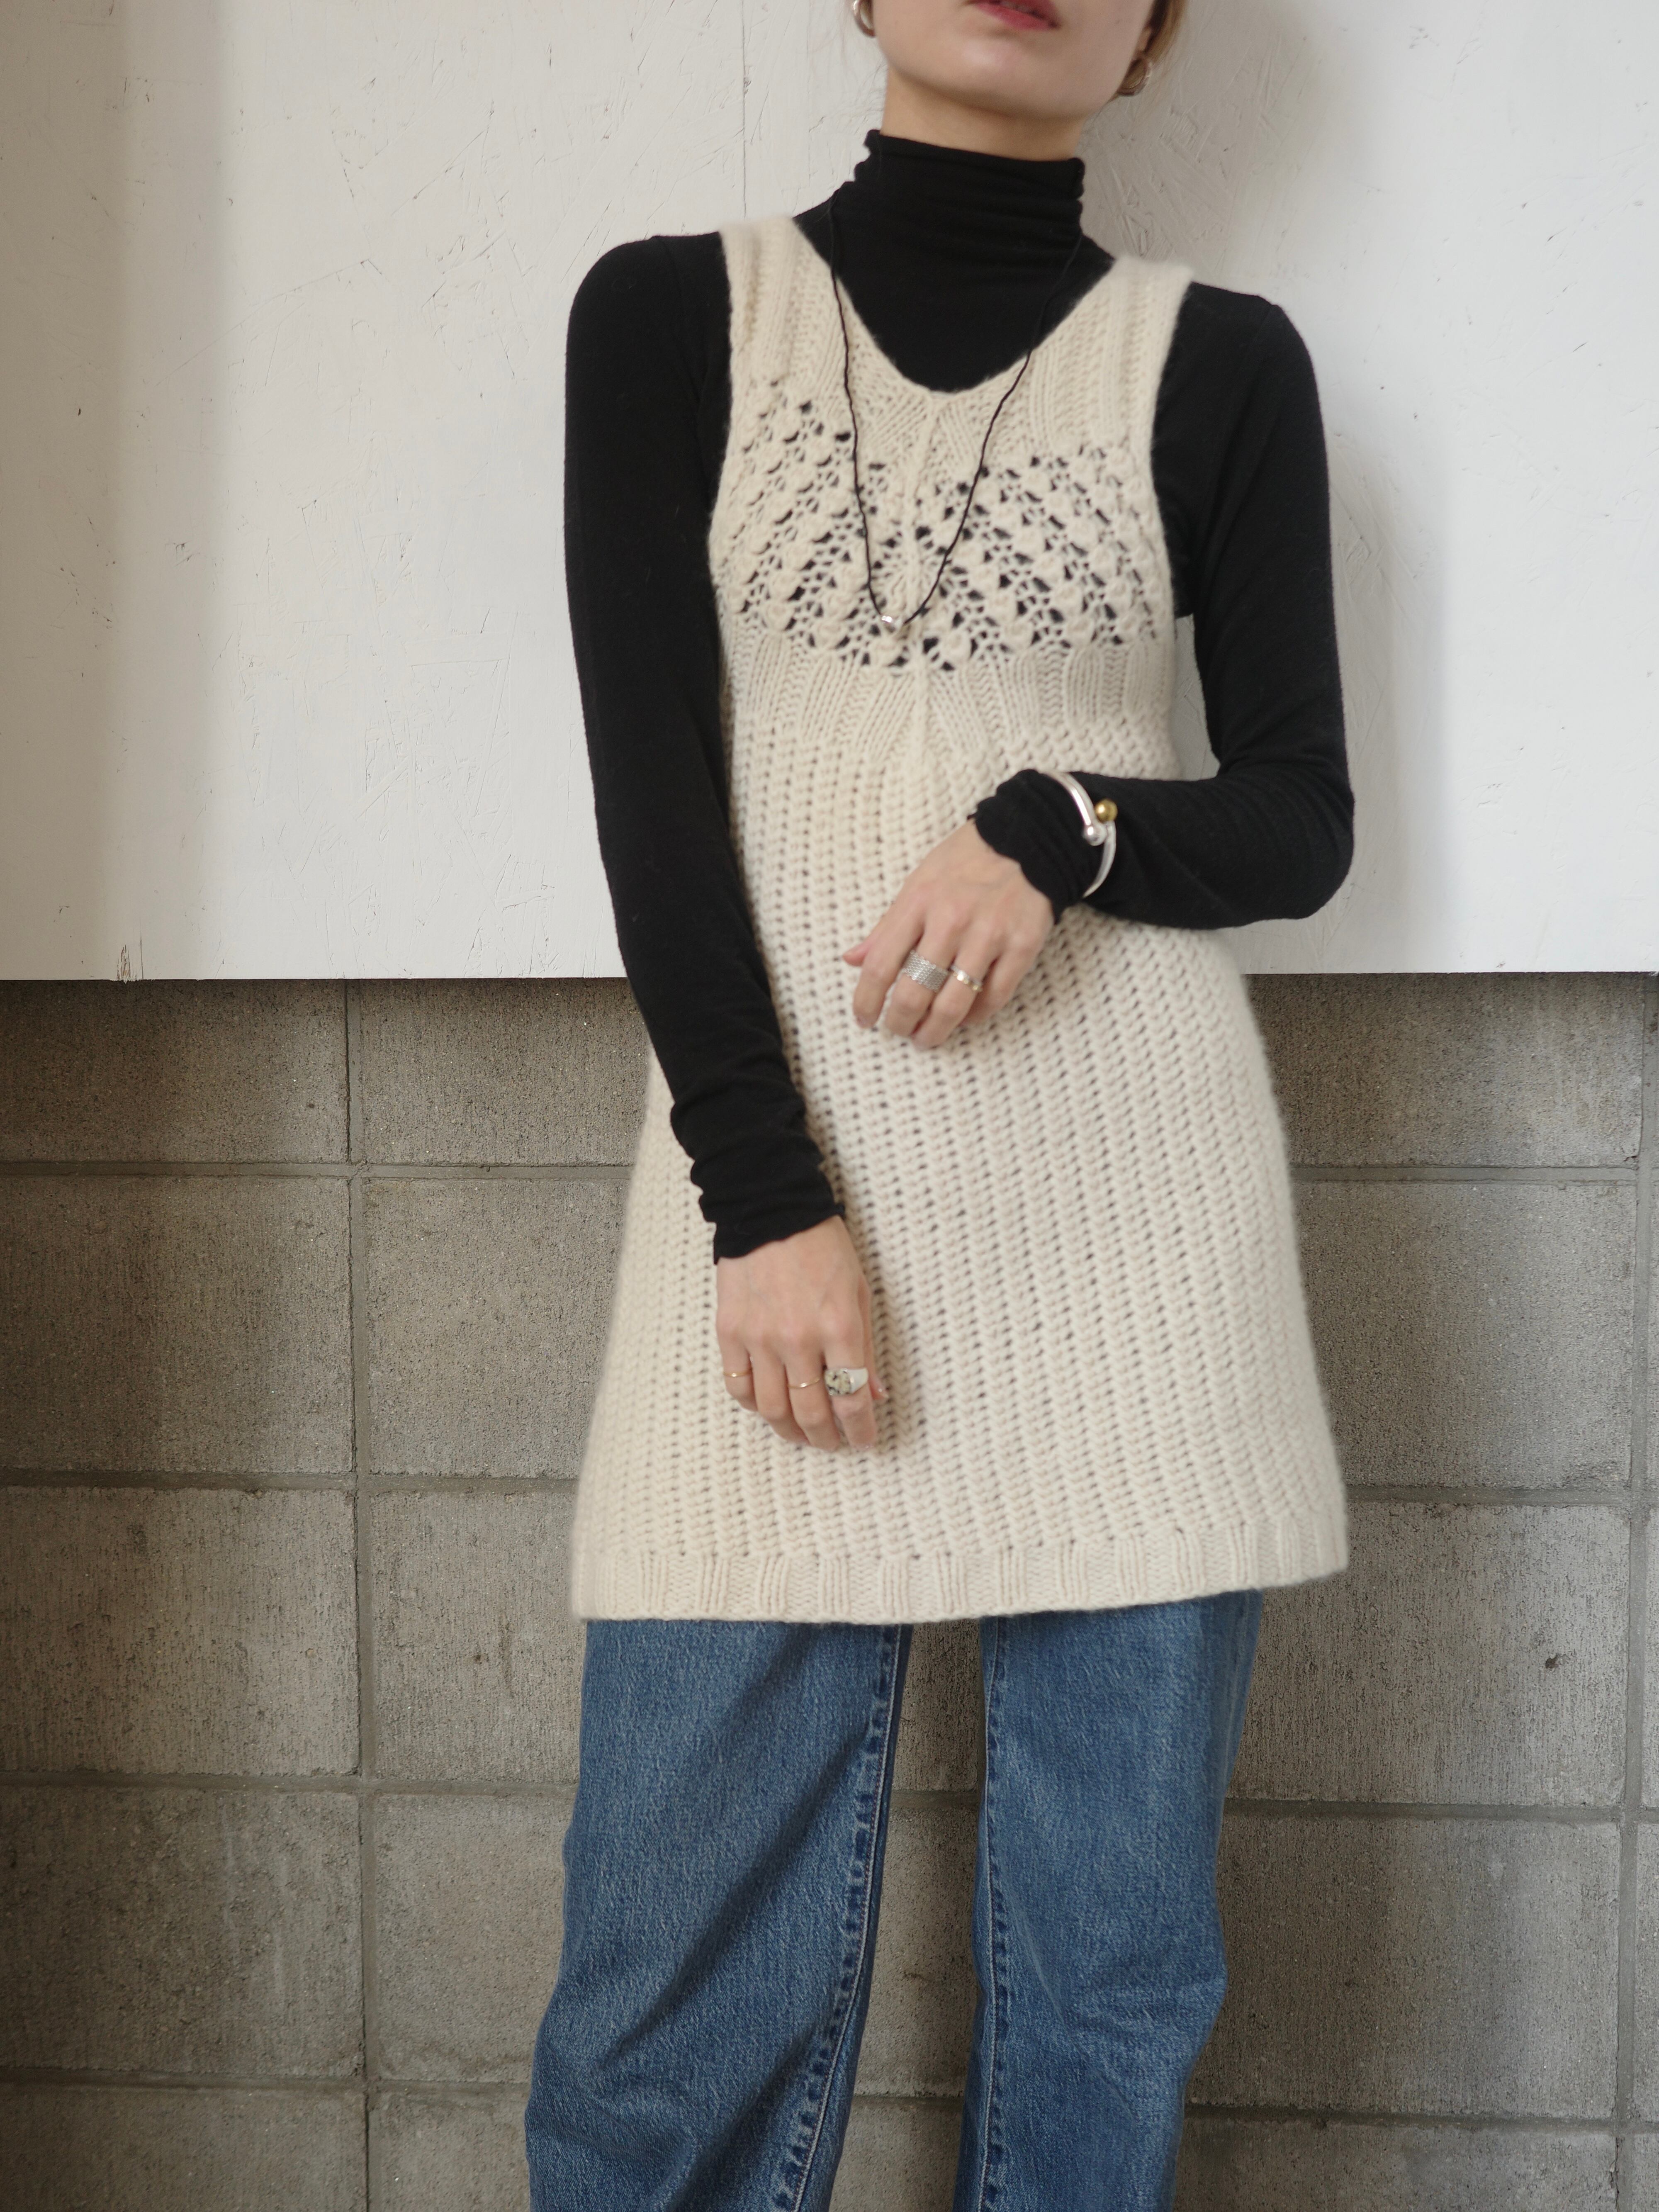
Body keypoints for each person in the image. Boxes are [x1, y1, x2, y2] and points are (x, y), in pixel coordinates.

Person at [526, 0, 1353, 2204]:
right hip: (776, 1223)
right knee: (663, 2012)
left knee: (1109, 1988)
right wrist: (765, 1197)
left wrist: (1067, 824)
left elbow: (1299, 815)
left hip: (1144, 1246)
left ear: (1155, 39)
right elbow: (655, 807)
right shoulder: (672, 318)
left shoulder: (1223, 365)